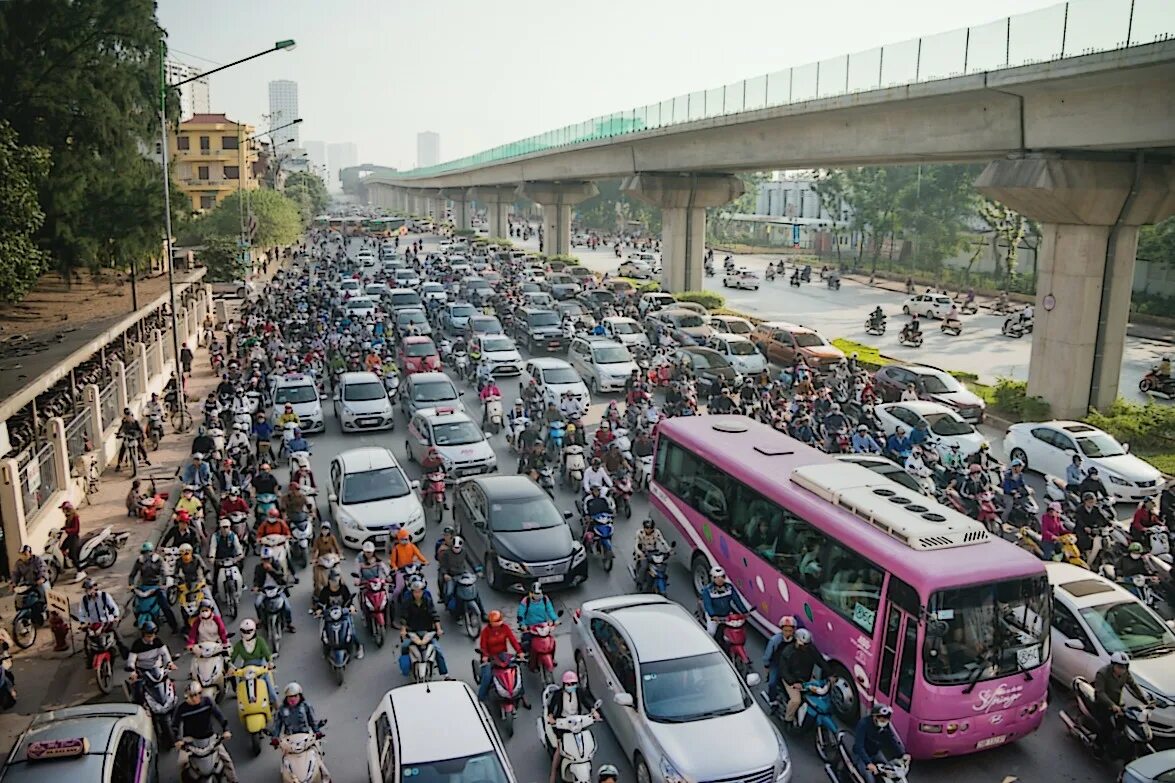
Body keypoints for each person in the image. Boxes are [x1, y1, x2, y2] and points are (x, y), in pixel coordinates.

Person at [172, 681, 239, 782]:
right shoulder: (182, 709)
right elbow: (174, 726)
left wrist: (226, 730)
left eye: (199, 693)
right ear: (187, 696)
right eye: (193, 695)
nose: (196, 697)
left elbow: (220, 716)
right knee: (182, 763)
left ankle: (233, 781)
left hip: (210, 738)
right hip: (190, 741)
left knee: (227, 760)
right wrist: (178, 740)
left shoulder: (208, 702)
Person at [545, 670, 600, 783]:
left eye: (574, 684)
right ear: (564, 684)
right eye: (569, 684)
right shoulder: (558, 694)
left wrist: (594, 711)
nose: (571, 686)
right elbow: (551, 708)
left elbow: (587, 702)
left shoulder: (579, 692)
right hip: (563, 725)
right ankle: (553, 774)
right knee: (560, 748)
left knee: (585, 743)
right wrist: (551, 717)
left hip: (578, 723)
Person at [270, 682, 329, 781]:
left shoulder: (306, 706)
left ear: (300, 696)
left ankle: (326, 778)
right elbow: (277, 726)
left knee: (318, 760)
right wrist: (274, 738)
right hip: (289, 742)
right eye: (290, 697)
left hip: (307, 739)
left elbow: (313, 721)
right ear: (286, 698)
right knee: (285, 764)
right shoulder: (281, 710)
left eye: (295, 696)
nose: (292, 699)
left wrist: (317, 732)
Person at [1093, 652, 1149, 750]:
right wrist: (1112, 705)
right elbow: (1100, 692)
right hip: (1103, 704)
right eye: (1119, 667)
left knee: (1126, 722)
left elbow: (1134, 685)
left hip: (1118, 704)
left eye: (1124, 667)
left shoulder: (1125, 673)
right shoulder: (1102, 673)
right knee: (1107, 726)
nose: (1122, 670)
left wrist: (1144, 699)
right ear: (1113, 665)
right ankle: (1098, 746)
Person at [397, 578, 447, 676]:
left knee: (438, 650)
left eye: (419, 592)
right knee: (404, 647)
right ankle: (405, 669)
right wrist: (403, 630)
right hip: (412, 631)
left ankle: (445, 674)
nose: (417, 594)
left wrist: (439, 629)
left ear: (422, 591)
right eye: (415, 592)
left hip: (427, 631)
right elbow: (404, 617)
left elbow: (434, 615)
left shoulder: (427, 601)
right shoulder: (407, 602)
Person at [127, 542, 179, 633]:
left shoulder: (159, 560)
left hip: (156, 587)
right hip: (143, 586)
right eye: (144, 552)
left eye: (148, 552)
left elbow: (164, 573)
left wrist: (162, 585)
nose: (146, 554)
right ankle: (138, 619)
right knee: (135, 605)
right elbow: (132, 575)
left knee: (165, 606)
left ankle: (174, 626)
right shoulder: (139, 561)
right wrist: (131, 585)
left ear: (152, 552)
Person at [314, 568, 364, 660]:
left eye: (336, 580)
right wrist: (319, 611)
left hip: (343, 613)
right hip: (330, 614)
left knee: (351, 632)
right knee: (324, 634)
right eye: (332, 580)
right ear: (329, 580)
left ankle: (359, 647)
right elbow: (321, 603)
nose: (334, 582)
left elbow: (349, 601)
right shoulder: (325, 590)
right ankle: (326, 651)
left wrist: (351, 607)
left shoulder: (344, 588)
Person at [852, 704, 910, 783]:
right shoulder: (863, 724)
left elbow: (892, 739)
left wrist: (903, 754)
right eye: (882, 720)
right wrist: (868, 763)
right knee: (870, 780)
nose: (884, 722)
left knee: (888, 771)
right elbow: (859, 746)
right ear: (875, 717)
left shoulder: (885, 725)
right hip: (861, 756)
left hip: (875, 753)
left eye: (886, 720)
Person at [779, 628, 826, 723]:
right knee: (796, 700)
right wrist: (793, 682)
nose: (805, 647)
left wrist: (831, 674)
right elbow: (784, 671)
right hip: (792, 681)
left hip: (806, 679)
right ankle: (788, 719)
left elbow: (820, 661)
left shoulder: (811, 649)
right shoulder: (787, 652)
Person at [477, 610, 525, 702]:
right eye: (497, 621)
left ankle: (521, 695)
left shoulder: (505, 628)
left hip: (502, 654)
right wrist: (485, 656)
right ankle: (480, 700)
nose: (500, 622)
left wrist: (519, 652)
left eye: (500, 620)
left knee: (516, 671)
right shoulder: (486, 632)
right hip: (490, 657)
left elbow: (513, 640)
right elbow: (483, 646)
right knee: (487, 678)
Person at [227, 618, 277, 705]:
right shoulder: (239, 645)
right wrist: (230, 667)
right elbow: (232, 658)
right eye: (244, 631)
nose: (246, 633)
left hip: (261, 666)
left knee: (270, 688)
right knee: (241, 687)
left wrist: (270, 662)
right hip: (247, 668)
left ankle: (276, 706)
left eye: (249, 631)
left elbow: (267, 653)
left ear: (254, 630)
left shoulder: (260, 641)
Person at [76, 577, 129, 658]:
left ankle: (124, 652)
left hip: (107, 622)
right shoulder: (84, 600)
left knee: (117, 637)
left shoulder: (104, 596)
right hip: (94, 624)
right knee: (87, 642)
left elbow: (113, 607)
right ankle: (89, 659)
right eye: (87, 589)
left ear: (95, 587)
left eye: (90, 588)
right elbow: (81, 612)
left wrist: (116, 616)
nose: (89, 591)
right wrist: (82, 623)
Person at [126, 621, 176, 705]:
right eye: (148, 636)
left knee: (169, 685)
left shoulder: (157, 641)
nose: (150, 639)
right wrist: (132, 672)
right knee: (138, 693)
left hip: (157, 670)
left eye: (152, 636)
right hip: (143, 672)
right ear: (143, 635)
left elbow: (165, 653)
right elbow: (131, 660)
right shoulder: (137, 645)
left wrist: (169, 663)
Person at [436, 536, 485, 619]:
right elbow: (443, 566)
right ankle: (451, 608)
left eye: (458, 547)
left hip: (463, 574)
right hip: (451, 576)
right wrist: (445, 574)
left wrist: (477, 571)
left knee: (475, 592)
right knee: (449, 593)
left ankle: (483, 613)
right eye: (455, 547)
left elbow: (471, 562)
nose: (457, 549)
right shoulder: (446, 553)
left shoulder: (464, 552)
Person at [699, 567, 748, 641]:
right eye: (716, 577)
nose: (720, 579)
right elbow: (708, 604)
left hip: (727, 615)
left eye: (722, 576)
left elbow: (737, 600)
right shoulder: (708, 590)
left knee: (730, 635)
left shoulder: (729, 587)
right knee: (711, 632)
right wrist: (713, 615)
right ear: (712, 578)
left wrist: (744, 611)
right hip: (714, 617)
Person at [251, 552, 295, 634]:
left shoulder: (277, 565)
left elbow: (281, 576)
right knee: (257, 603)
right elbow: (256, 579)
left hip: (277, 589)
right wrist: (256, 587)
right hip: (264, 590)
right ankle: (260, 619)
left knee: (287, 607)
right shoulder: (258, 568)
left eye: (268, 559)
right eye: (264, 559)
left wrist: (271, 570)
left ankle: (289, 623)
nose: (266, 561)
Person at [762, 616, 798, 705]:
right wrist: (766, 667)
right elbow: (767, 655)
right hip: (777, 664)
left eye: (790, 631)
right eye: (785, 630)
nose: (788, 633)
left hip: (791, 665)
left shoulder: (797, 640)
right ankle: (772, 700)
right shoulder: (775, 640)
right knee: (772, 683)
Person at [517, 583, 559, 651]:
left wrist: (555, 619)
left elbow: (550, 610)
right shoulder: (526, 600)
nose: (538, 596)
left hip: (543, 627)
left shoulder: (545, 599)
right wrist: (522, 624)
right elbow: (520, 614)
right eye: (536, 593)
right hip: (530, 627)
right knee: (526, 643)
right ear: (531, 593)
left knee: (550, 642)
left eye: (539, 593)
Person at [633, 518, 670, 591]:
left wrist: (669, 549)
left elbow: (662, 541)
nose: (649, 529)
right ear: (644, 527)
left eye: (651, 528)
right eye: (647, 528)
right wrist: (640, 553)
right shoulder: (639, 533)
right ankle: (639, 582)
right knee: (644, 566)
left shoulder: (657, 532)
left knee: (662, 566)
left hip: (654, 552)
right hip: (643, 553)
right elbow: (636, 545)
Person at [310, 523, 342, 592]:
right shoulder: (318, 539)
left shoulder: (332, 537)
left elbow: (337, 547)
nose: (325, 531)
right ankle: (317, 594)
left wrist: (340, 555)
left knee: (339, 576)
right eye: (323, 529)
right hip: (321, 561)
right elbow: (315, 550)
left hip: (331, 559)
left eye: (326, 529)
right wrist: (314, 559)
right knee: (317, 579)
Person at [57, 501, 82, 575]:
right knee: (62, 549)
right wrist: (61, 529)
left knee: (72, 554)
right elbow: (68, 527)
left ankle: (80, 571)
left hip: (74, 537)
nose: (62, 511)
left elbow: (76, 529)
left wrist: (67, 530)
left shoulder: (75, 517)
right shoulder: (68, 517)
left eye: (64, 509)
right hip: (70, 537)